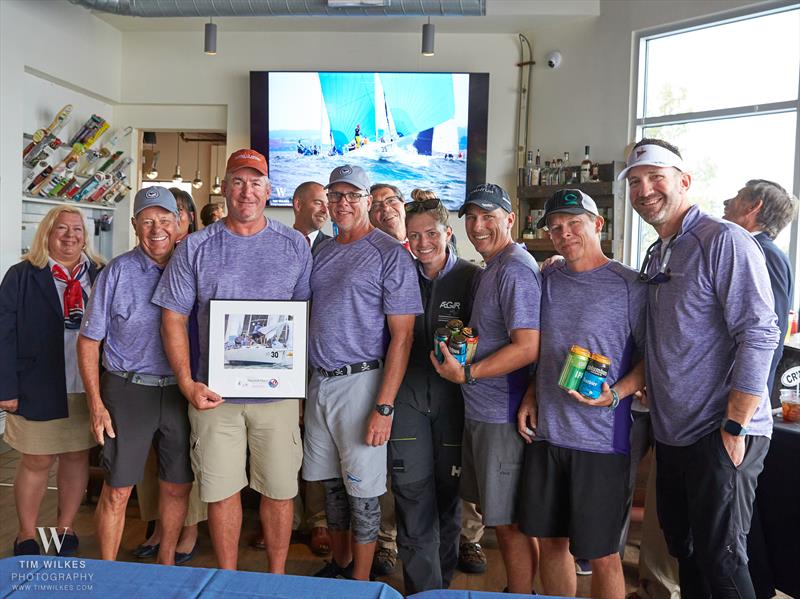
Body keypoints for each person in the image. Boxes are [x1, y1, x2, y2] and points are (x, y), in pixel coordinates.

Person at [619, 138, 780, 598]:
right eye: (635, 182)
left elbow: (760, 332)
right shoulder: (658, 252)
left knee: (723, 560)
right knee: (685, 553)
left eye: (655, 178)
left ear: (684, 181)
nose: (644, 189)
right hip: (673, 434)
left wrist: (736, 423)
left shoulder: (724, 240)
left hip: (719, 431)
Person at [153, 149, 312, 572]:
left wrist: (298, 389)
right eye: (238, 182)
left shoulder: (293, 245)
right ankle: (228, 578)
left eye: (256, 182)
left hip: (276, 397)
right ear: (224, 188)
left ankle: (276, 578)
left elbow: (302, 320)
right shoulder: (198, 247)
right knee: (222, 491)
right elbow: (173, 317)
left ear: (268, 190)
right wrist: (187, 382)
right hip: (213, 394)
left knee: (279, 491)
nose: (247, 191)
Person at [516, 189, 647, 599]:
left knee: (602, 553)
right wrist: (531, 394)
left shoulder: (631, 285)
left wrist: (615, 395)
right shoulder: (548, 277)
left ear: (598, 224)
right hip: (548, 435)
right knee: (552, 542)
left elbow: (652, 359)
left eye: (575, 223)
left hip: (602, 442)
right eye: (556, 227)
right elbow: (538, 347)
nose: (565, 233)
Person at [302, 164, 421, 582]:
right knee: (330, 486)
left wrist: (383, 407)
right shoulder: (324, 250)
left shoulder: (390, 254)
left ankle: (361, 582)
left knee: (364, 492)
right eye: (336, 196)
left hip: (363, 382)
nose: (343, 204)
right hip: (320, 381)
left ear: (368, 201)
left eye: (353, 196)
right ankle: (340, 564)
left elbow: (402, 338)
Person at [431, 183, 541, 594]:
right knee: (498, 514)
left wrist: (469, 374)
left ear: (510, 219)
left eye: (488, 217)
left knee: (507, 521)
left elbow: (528, 346)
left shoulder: (514, 267)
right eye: (472, 217)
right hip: (482, 411)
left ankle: (519, 592)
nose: (478, 226)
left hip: (501, 413)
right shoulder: (492, 267)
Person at [77, 186, 192, 565]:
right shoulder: (117, 272)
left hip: (180, 391)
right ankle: (107, 572)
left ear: (178, 224)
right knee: (118, 490)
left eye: (163, 220)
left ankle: (166, 563)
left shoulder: (192, 266)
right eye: (147, 221)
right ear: (134, 226)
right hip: (128, 391)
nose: (156, 229)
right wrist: (96, 403)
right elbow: (89, 341)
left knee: (176, 487)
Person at [388, 194, 480, 593]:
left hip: (454, 403)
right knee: (411, 495)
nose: (422, 243)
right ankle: (420, 590)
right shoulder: (398, 273)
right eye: (413, 236)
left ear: (448, 232)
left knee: (447, 497)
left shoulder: (473, 278)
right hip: (407, 396)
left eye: (430, 233)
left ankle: (440, 589)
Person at [0, 205, 104, 556]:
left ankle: (65, 528)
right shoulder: (22, 275)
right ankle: (27, 534)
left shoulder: (100, 274)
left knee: (76, 456)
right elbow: (4, 334)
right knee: (37, 460)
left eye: (77, 229)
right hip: (37, 382)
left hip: (86, 384)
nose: (71, 235)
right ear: (46, 233)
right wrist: (6, 388)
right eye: (62, 228)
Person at [723, 179, 797, 400]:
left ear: (754, 207)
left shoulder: (767, 255)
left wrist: (748, 401)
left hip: (739, 399)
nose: (726, 201)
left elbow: (769, 333)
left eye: (737, 196)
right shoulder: (748, 249)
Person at [292, 181, 331, 256]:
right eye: (318, 203)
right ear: (298, 205)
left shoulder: (333, 248)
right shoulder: (278, 243)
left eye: (328, 206)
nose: (325, 211)